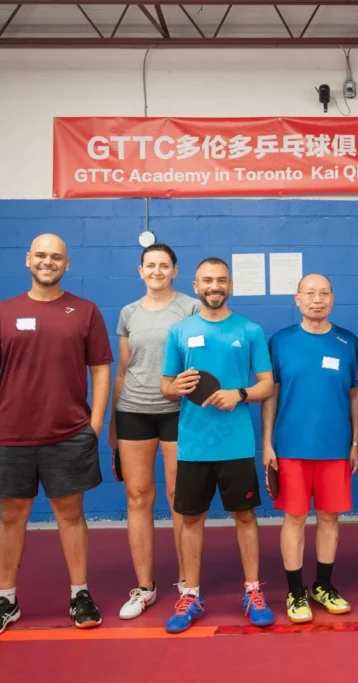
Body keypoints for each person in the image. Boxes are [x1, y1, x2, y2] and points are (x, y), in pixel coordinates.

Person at [0, 233, 113, 638]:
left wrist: (95, 424)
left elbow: (101, 368)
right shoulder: (3, 312)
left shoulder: (84, 311)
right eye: (41, 255)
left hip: (68, 435)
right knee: (11, 517)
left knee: (71, 515)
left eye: (56, 257)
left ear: (67, 264)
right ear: (28, 259)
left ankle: (80, 595)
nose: (48, 262)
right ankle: (6, 601)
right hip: (11, 436)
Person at [160, 257, 276, 632]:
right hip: (193, 446)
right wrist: (174, 387)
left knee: (245, 516)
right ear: (196, 286)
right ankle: (190, 594)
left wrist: (239, 394)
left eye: (221, 280)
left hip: (237, 445)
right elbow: (165, 386)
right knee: (191, 519)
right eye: (207, 280)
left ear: (230, 286)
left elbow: (266, 384)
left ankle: (253, 590)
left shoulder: (250, 330)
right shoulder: (179, 332)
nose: (215, 286)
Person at [261, 273, 358, 623]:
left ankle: (322, 586)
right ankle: (295, 592)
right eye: (310, 293)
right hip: (290, 447)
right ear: (297, 299)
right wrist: (267, 442)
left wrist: (356, 441)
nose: (317, 299)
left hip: (335, 448)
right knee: (295, 518)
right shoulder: (281, 341)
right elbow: (271, 393)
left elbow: (355, 396)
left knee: (330, 519)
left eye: (324, 293)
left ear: (332, 298)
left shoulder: (348, 342)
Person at [110, 243, 202, 619]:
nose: (158, 271)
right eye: (151, 265)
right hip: (134, 411)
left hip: (178, 412)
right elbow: (122, 370)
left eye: (165, 265)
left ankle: (186, 583)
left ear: (175, 271)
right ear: (141, 270)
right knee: (137, 496)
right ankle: (145, 587)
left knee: (180, 494)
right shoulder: (128, 313)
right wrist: (113, 430)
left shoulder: (190, 308)